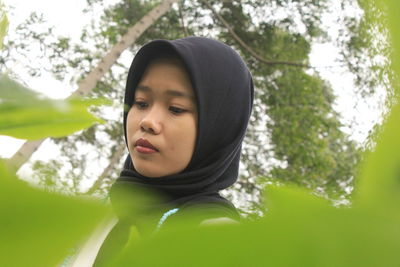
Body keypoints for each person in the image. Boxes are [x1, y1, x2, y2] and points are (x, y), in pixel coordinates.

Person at [67, 36, 254, 267]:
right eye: (141, 103)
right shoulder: (100, 210)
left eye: (176, 108)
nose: (148, 121)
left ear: (219, 127)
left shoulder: (215, 236)